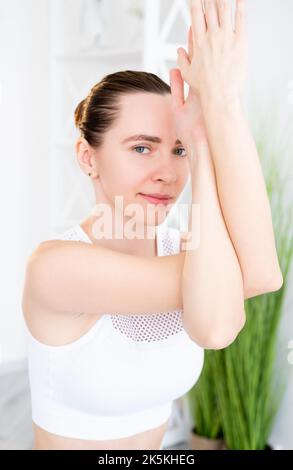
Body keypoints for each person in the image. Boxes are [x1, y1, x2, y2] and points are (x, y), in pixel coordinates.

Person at [22, 0, 283, 450]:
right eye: (142, 148)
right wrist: (202, 137)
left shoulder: (185, 250)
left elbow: (263, 274)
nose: (167, 171)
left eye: (178, 149)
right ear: (88, 157)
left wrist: (221, 106)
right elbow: (217, 325)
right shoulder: (56, 268)